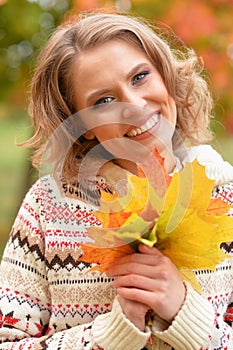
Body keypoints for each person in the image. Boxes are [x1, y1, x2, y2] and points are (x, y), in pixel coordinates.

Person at [0, 11, 233, 350]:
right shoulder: (47, 208)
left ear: (165, 76)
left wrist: (187, 316)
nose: (135, 105)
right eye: (103, 101)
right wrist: (108, 336)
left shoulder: (227, 196)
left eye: (140, 77)